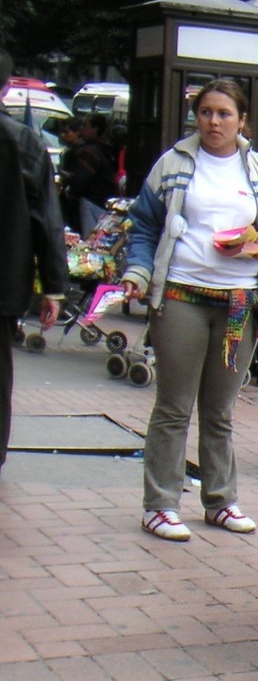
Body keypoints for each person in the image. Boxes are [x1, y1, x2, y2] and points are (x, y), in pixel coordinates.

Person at [119, 78, 258, 541]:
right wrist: (138, 272)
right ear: (195, 117)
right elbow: (144, 225)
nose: (213, 122)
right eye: (205, 113)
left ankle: (220, 500)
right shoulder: (173, 164)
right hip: (180, 296)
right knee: (174, 407)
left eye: (224, 114)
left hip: (240, 304)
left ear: (242, 121)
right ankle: (160, 504)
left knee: (220, 411)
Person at [0, 48, 65, 472]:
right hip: (6, 276)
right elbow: (46, 217)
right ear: (6, 87)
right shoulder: (23, 141)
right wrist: (54, 286)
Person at [65, 112, 116, 236]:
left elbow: (81, 179)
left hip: (91, 201)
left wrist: (70, 178)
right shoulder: (105, 149)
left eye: (85, 125)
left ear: (95, 129)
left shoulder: (90, 151)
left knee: (90, 237)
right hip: (102, 202)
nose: (82, 128)